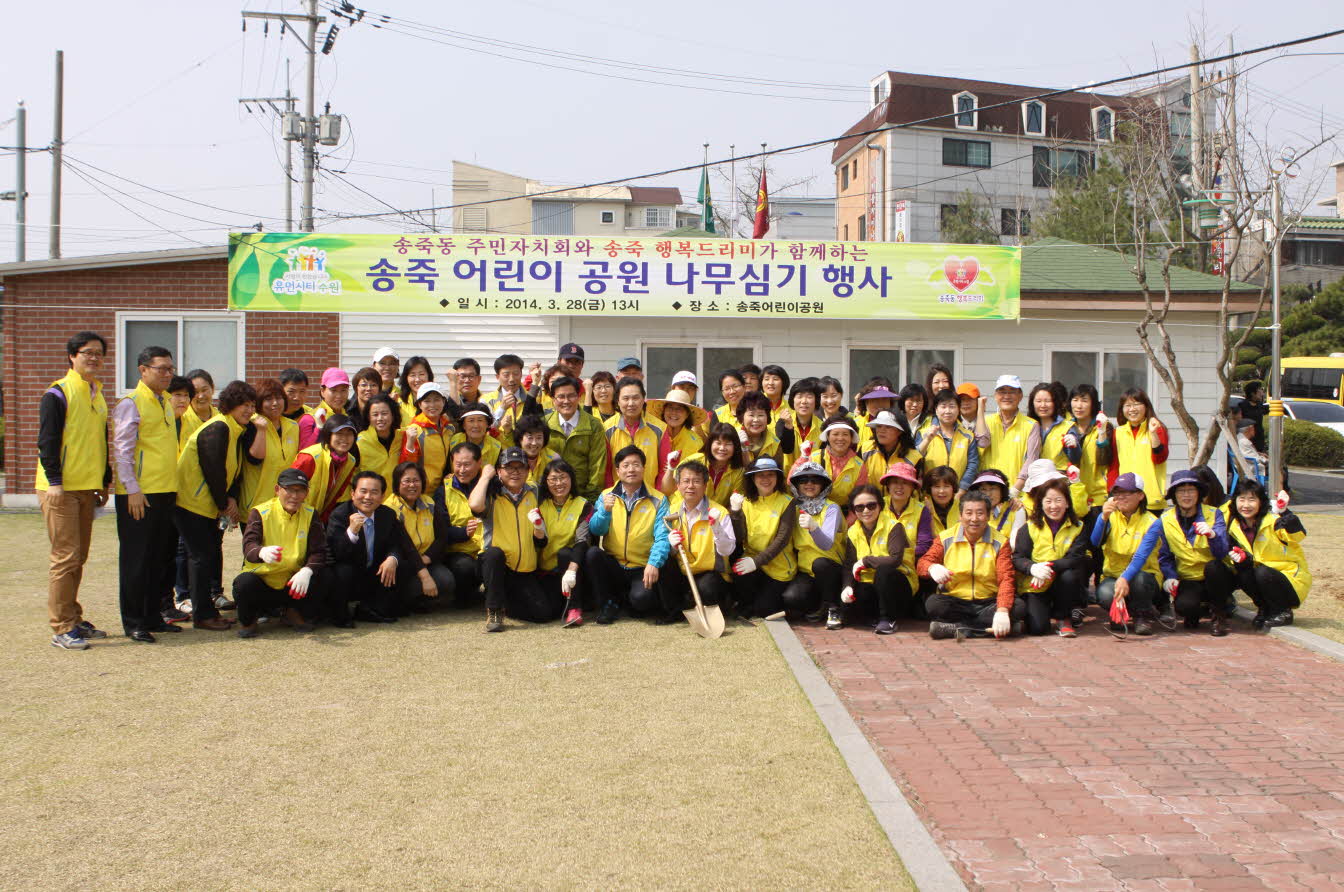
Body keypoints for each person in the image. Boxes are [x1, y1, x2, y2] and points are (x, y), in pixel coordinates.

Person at [39, 331, 112, 649]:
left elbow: (99, 442)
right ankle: (62, 627)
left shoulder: (97, 393)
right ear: (72, 356)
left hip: (86, 487)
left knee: (78, 557)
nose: (93, 358)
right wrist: (54, 482)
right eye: (87, 352)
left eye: (99, 353)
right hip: (61, 489)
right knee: (65, 558)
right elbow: (48, 441)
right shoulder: (58, 393)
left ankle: (73, 616)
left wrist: (103, 481)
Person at [175, 380, 263, 631]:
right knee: (201, 559)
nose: (248, 410)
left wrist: (229, 499)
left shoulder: (237, 430)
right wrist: (225, 504)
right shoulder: (219, 428)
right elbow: (213, 471)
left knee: (208, 556)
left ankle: (207, 611)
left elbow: (233, 471)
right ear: (230, 405)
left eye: (251, 405)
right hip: (191, 504)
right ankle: (202, 615)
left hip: (207, 505)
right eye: (243, 405)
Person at [111, 345, 182, 643]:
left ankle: (154, 615)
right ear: (142, 370)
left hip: (166, 491)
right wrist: (132, 490)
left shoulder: (165, 401)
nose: (167, 374)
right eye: (161, 369)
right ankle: (134, 621)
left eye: (170, 369)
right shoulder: (132, 402)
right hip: (140, 494)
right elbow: (123, 451)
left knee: (160, 558)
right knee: (136, 559)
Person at [1126, 469, 1234, 635]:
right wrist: (1170, 576)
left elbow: (1221, 553)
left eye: (1191, 490)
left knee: (1215, 567)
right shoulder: (1165, 519)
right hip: (1189, 577)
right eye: (1181, 491)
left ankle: (1219, 617)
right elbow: (1164, 555)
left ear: (1199, 493)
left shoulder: (1213, 513)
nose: (1186, 495)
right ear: (1174, 495)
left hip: (1216, 575)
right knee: (1184, 608)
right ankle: (1196, 611)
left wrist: (1212, 535)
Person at [233, 468, 329, 638]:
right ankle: (249, 620)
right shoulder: (260, 512)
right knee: (243, 583)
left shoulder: (310, 513)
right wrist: (261, 551)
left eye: (301, 490)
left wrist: (307, 571)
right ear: (278, 490)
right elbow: (248, 546)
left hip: (293, 580)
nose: (295, 495)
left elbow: (319, 551)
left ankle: (292, 611)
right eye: (290, 489)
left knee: (323, 575)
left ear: (307, 492)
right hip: (264, 579)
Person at [917, 491, 1026, 639]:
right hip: (956, 600)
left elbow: (1006, 578)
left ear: (988, 516)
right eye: (969, 513)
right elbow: (923, 563)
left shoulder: (1000, 542)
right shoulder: (945, 538)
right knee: (933, 604)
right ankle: (997, 629)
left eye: (980, 513)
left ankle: (958, 629)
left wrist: (1002, 610)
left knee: (1018, 607)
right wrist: (931, 568)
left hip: (989, 602)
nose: (974, 519)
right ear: (960, 516)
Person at [585, 445, 670, 624]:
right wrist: (604, 512)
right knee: (593, 554)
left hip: (641, 566)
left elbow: (662, 536)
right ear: (617, 470)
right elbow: (595, 530)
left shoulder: (658, 499)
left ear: (644, 468)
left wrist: (654, 563)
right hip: (614, 563)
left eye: (636, 464)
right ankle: (608, 603)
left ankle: (627, 599)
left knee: (641, 603)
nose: (631, 469)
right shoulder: (606, 495)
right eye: (626, 465)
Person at [469, 447, 550, 631]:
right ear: (499, 471)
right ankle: (494, 609)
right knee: (494, 554)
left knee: (543, 613)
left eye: (520, 467)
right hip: (496, 566)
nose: (515, 472)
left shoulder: (535, 491)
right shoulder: (492, 492)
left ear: (528, 470)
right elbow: (474, 504)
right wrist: (485, 476)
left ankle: (503, 601)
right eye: (509, 467)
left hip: (524, 569)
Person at [327, 471, 420, 625]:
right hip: (350, 575)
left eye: (374, 492)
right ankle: (339, 615)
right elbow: (336, 554)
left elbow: (396, 543)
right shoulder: (340, 515)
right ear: (352, 493)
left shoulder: (387, 514)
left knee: (399, 564)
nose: (368, 497)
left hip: (373, 573)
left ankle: (372, 609)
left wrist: (392, 558)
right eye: (363, 491)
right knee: (342, 570)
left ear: (382, 496)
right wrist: (351, 532)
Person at [658, 459, 735, 624]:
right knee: (662, 564)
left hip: (710, 573)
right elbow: (660, 545)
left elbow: (727, 550)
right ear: (678, 485)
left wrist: (718, 530)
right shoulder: (671, 511)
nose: (690, 486)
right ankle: (675, 610)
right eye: (686, 481)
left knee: (707, 588)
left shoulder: (719, 512)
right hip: (683, 571)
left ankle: (713, 604)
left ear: (705, 485)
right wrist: (669, 545)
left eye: (696, 481)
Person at [1012, 475, 1090, 636]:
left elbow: (1075, 557)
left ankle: (1064, 617)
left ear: (1068, 503)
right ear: (1040, 503)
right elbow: (1018, 558)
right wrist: (1032, 568)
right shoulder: (1029, 528)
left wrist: (1048, 567)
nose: (1053, 506)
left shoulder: (1078, 527)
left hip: (1061, 582)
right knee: (1038, 629)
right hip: (1035, 584)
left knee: (1071, 575)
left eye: (1058, 500)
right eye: (1048, 501)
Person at [386, 461, 469, 611]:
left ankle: (419, 602)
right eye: (407, 481)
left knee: (446, 580)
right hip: (403, 563)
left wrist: (425, 559)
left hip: (426, 559)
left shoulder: (429, 502)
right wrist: (424, 575)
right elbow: (404, 545)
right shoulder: (390, 509)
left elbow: (441, 537)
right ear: (397, 483)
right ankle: (403, 601)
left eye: (416, 480)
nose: (412, 485)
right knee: (411, 583)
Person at [1227, 479, 1309, 629]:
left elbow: (1298, 535)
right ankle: (1264, 609)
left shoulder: (1273, 521)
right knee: (1243, 572)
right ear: (1235, 501)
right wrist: (1243, 559)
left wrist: (1285, 512)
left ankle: (1282, 611)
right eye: (1242, 499)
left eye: (1252, 499)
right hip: (1264, 579)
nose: (1246, 505)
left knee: (1262, 571)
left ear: (1261, 502)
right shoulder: (1235, 526)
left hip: (1290, 580)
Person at [840, 484, 916, 634]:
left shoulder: (894, 526)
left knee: (883, 571)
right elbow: (850, 564)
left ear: (880, 506)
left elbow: (895, 560)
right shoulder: (852, 531)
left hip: (898, 584)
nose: (866, 511)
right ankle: (873, 616)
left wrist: (866, 561)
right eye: (859, 508)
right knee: (855, 593)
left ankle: (887, 619)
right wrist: (847, 586)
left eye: (871, 505)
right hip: (870, 583)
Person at [1091, 473, 1161, 637]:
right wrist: (1103, 517)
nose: (1120, 497)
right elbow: (1095, 542)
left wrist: (1124, 579)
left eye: (1126, 493)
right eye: (1117, 493)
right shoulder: (1111, 516)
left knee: (1140, 581)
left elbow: (1140, 557)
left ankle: (1142, 616)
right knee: (1105, 595)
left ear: (1140, 495)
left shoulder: (1153, 522)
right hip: (1113, 575)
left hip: (1142, 575)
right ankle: (1123, 610)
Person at [728, 457, 797, 619]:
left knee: (764, 610)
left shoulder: (787, 502)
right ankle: (746, 603)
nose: (766, 479)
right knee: (738, 572)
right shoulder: (745, 501)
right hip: (752, 561)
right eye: (760, 475)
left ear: (777, 477)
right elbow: (739, 537)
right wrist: (736, 512)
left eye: (770, 475)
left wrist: (756, 561)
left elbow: (782, 540)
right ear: (752, 478)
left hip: (778, 566)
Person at [782, 461, 845, 627]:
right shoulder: (793, 507)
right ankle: (819, 604)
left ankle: (833, 607)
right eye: (803, 480)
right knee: (791, 598)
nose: (809, 484)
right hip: (806, 571)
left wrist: (814, 527)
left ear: (823, 484)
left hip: (831, 568)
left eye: (815, 480)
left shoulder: (832, 508)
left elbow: (826, 544)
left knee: (820, 564)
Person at [536, 458, 593, 627]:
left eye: (563, 477)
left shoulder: (583, 505)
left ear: (571, 479)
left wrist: (572, 570)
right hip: (547, 571)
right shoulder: (540, 505)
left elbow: (582, 540)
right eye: (553, 479)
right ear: (546, 482)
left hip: (573, 568)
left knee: (565, 553)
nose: (559, 483)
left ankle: (574, 608)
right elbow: (538, 542)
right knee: (549, 612)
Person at [240, 378, 301, 513]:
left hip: (285, 504)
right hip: (257, 505)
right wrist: (261, 430)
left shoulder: (293, 426)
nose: (275, 403)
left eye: (278, 398)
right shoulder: (251, 424)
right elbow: (254, 459)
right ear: (259, 403)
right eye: (268, 399)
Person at [545, 375, 606, 501]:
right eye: (561, 397)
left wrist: (591, 500)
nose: (566, 401)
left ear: (579, 397)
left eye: (571, 396)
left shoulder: (593, 425)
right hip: (550, 497)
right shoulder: (544, 424)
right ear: (553, 399)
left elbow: (597, 465)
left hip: (582, 496)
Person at [292, 415, 360, 524]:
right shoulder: (310, 457)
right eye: (339, 433)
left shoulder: (350, 461)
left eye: (349, 434)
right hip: (295, 515)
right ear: (328, 435)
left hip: (317, 519)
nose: (344, 438)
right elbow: (288, 490)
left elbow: (336, 495)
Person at [604, 376, 666, 490]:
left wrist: (656, 496)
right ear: (618, 401)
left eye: (636, 398)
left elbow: (664, 469)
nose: (631, 403)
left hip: (651, 497)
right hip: (618, 497)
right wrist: (611, 493)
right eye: (626, 398)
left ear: (643, 399)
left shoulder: (660, 428)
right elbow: (607, 470)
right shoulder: (607, 429)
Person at [982, 374, 1038, 497]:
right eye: (1002, 392)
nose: (1007, 396)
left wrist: (1015, 489)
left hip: (1018, 496)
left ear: (1020, 396)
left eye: (1012, 392)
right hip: (987, 494)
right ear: (996, 396)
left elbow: (1031, 460)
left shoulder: (1031, 425)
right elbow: (980, 445)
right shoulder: (986, 421)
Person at [1113, 387, 1169, 510]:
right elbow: (1114, 466)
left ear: (1146, 406)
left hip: (1151, 499)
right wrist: (1112, 494)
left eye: (1136, 404)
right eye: (1127, 405)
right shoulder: (1118, 432)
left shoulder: (1157, 428)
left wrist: (1153, 433)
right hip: (1125, 499)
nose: (1132, 409)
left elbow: (1160, 458)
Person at [443, 442, 485, 602]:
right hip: (459, 550)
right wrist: (463, 532)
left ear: (479, 463)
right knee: (464, 568)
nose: (462, 470)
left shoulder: (489, 485)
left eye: (467, 465)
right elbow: (440, 531)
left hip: (486, 547)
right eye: (458, 464)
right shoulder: (444, 490)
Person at [401, 382, 456, 498]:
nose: (432, 405)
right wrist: (410, 443)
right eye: (427, 401)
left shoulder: (449, 428)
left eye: (436, 400)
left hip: (445, 490)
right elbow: (408, 464)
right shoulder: (415, 430)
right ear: (420, 404)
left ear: (443, 402)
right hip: (422, 492)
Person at [918, 389, 979, 492]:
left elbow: (972, 466)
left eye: (952, 406)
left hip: (959, 494)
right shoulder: (924, 433)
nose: (947, 411)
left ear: (958, 409)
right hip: (929, 494)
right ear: (936, 410)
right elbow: (915, 459)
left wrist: (961, 491)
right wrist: (927, 439)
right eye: (943, 406)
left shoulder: (968, 436)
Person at [682, 423, 746, 507]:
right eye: (718, 443)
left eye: (728, 444)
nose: (722, 448)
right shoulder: (693, 461)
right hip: (686, 511)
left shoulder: (739, 471)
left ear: (735, 447)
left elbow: (734, 504)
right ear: (710, 443)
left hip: (718, 516)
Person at [356, 392, 406, 495]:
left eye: (384, 413)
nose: (380, 418)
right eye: (375, 415)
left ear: (393, 414)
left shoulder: (403, 437)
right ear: (368, 417)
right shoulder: (361, 441)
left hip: (397, 501)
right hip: (370, 500)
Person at [487, 353, 542, 437]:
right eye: (506, 375)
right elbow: (484, 430)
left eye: (516, 373)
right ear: (497, 377)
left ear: (521, 374)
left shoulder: (532, 398)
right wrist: (502, 408)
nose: (512, 379)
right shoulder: (487, 400)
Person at [647, 388, 707, 463]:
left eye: (679, 409)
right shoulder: (653, 436)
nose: (674, 412)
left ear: (687, 414)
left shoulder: (695, 442)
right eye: (670, 407)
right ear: (664, 410)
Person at [915, 466, 961, 563]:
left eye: (946, 486)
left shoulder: (963, 508)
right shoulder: (921, 508)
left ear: (953, 488)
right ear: (930, 489)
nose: (941, 491)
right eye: (937, 487)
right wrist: (930, 515)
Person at [861, 410, 919, 486]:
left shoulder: (914, 457)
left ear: (899, 431)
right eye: (879, 426)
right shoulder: (865, 449)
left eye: (888, 427)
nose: (882, 430)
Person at [818, 415, 864, 509]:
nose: (840, 438)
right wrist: (803, 457)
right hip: (816, 513)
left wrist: (846, 523)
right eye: (835, 434)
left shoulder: (859, 465)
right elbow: (791, 482)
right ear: (828, 436)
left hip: (846, 514)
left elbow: (860, 499)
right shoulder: (815, 458)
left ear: (851, 438)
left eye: (845, 434)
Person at [298, 367, 350, 448]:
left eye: (343, 390)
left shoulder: (348, 419)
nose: (339, 396)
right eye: (333, 390)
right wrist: (319, 430)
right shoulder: (309, 419)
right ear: (322, 391)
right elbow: (304, 454)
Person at [780, 377, 823, 469]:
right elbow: (786, 449)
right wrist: (788, 427)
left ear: (816, 401)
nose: (804, 401)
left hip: (813, 478)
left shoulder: (822, 427)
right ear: (792, 400)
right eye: (799, 396)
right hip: (787, 478)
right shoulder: (782, 422)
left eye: (809, 397)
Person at [1027, 383, 1071, 471]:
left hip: (1058, 479)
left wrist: (1073, 446)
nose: (1043, 405)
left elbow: (1075, 458)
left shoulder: (1067, 427)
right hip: (1032, 478)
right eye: (1038, 401)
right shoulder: (1027, 425)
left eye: (1047, 401)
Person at [513, 412, 562, 486]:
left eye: (539, 438)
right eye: (530, 438)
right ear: (520, 439)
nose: (534, 443)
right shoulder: (511, 459)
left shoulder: (553, 459)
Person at [450, 402, 503, 470]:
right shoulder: (453, 441)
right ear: (463, 425)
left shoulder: (496, 447)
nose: (476, 425)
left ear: (487, 424)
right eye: (471, 420)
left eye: (480, 420)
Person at [738, 391, 786, 463]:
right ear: (742, 417)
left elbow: (778, 472)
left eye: (761, 415)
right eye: (751, 415)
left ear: (767, 417)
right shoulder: (733, 439)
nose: (756, 420)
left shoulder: (774, 443)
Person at [179, 368, 221, 451]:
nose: (201, 396)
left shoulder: (222, 418)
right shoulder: (181, 418)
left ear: (212, 389)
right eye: (195, 392)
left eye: (204, 390)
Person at [854, 384, 899, 453]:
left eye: (884, 399)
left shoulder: (898, 422)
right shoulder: (856, 423)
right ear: (866, 402)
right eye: (875, 399)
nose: (880, 403)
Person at [396, 356, 434, 427]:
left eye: (421, 374)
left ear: (429, 375)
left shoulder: (438, 401)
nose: (417, 379)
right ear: (406, 378)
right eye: (412, 375)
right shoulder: (398, 402)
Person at [345, 366, 383, 432]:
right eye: (364, 385)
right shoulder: (345, 409)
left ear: (379, 389)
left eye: (373, 385)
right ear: (356, 388)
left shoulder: (385, 410)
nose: (368, 389)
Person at [1241, 380, 1269, 453]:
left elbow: (1266, 410)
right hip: (1247, 439)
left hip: (1259, 438)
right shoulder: (1243, 406)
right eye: (1259, 391)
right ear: (1252, 393)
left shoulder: (1259, 405)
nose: (1262, 393)